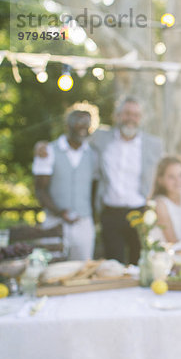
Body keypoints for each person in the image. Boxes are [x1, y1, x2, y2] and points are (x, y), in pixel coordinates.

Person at [36, 96, 163, 264]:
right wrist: (40, 145)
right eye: (126, 113)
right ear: (117, 116)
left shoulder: (154, 144)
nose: (130, 118)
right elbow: (74, 138)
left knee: (139, 262)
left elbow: (161, 174)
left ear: (141, 118)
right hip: (110, 212)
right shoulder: (101, 138)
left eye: (135, 114)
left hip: (139, 211)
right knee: (112, 265)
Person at [33, 108, 99, 261]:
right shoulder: (48, 151)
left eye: (86, 123)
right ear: (67, 125)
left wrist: (92, 216)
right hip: (54, 223)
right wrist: (59, 211)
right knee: (52, 269)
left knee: (82, 270)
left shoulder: (93, 154)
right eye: (78, 122)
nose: (83, 127)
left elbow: (94, 189)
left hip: (84, 224)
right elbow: (40, 190)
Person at [150, 155, 181, 243]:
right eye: (171, 177)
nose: (178, 180)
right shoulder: (160, 204)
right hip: (168, 253)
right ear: (160, 180)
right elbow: (172, 241)